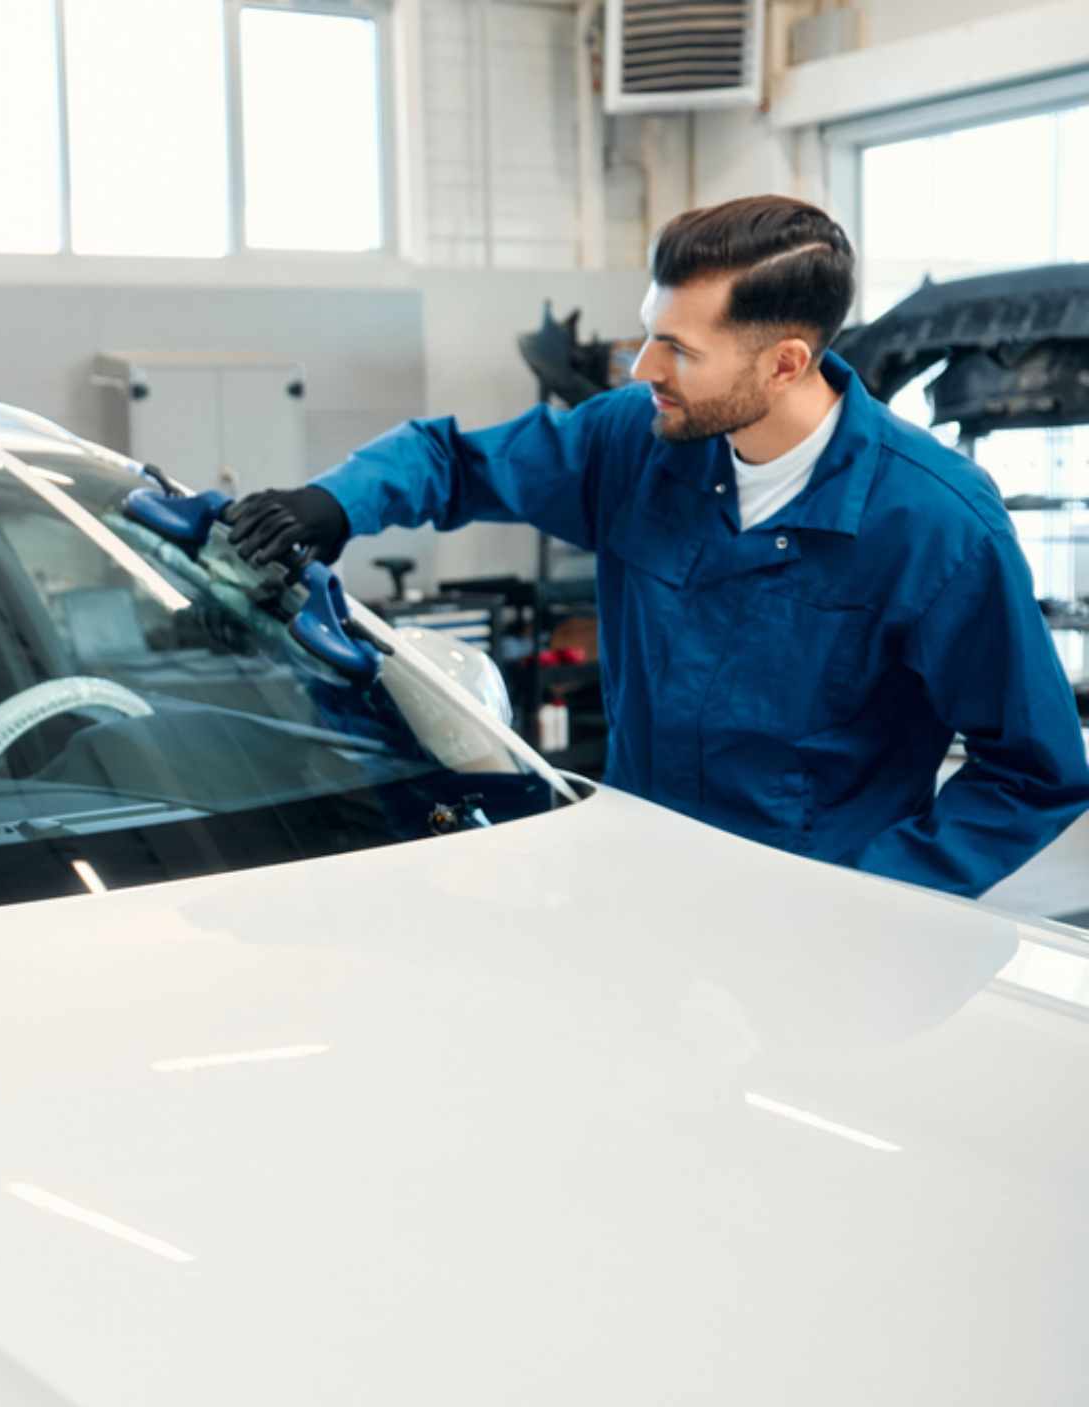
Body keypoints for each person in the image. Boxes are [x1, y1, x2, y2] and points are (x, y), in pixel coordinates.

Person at [226, 194, 1089, 898]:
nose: (643, 368)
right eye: (650, 331)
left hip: (809, 934)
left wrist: (869, 902)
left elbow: (1034, 773)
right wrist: (334, 502)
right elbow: (452, 461)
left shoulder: (934, 526)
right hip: (633, 887)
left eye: (678, 348)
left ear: (784, 363)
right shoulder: (634, 441)